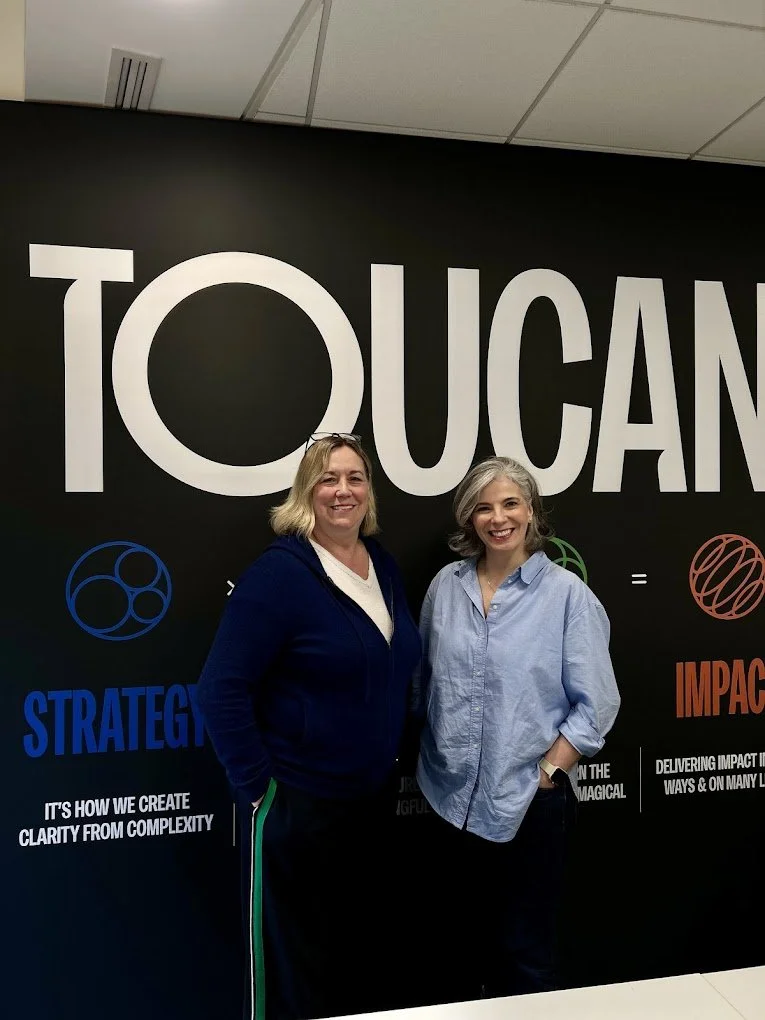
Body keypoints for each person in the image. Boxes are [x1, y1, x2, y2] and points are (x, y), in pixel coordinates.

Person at [196, 434, 421, 1020]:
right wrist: (260, 791)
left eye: (355, 477)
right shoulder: (281, 575)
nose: (343, 490)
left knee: (353, 964)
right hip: (298, 805)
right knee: (295, 976)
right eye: (328, 479)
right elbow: (221, 689)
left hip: (368, 806)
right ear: (306, 492)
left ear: (369, 490)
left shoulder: (383, 566)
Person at [415, 456, 620, 1001]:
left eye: (510, 504)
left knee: (526, 957)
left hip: (528, 806)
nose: (497, 518)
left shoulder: (567, 596)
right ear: (468, 519)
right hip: (446, 801)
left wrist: (551, 771)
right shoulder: (445, 587)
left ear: (531, 512)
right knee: (453, 953)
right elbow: (426, 679)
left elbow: (596, 703)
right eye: (483, 507)